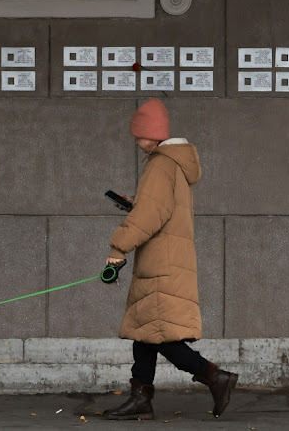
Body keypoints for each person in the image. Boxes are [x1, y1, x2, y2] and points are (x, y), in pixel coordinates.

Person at [102, 98, 238, 421]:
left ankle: (215, 377)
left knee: (163, 338)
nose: (137, 141)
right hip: (163, 263)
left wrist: (118, 247)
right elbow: (158, 208)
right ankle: (141, 400)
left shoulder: (161, 164)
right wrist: (136, 202)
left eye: (140, 135)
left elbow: (151, 215)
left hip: (160, 266)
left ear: (154, 134)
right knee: (145, 334)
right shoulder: (172, 163)